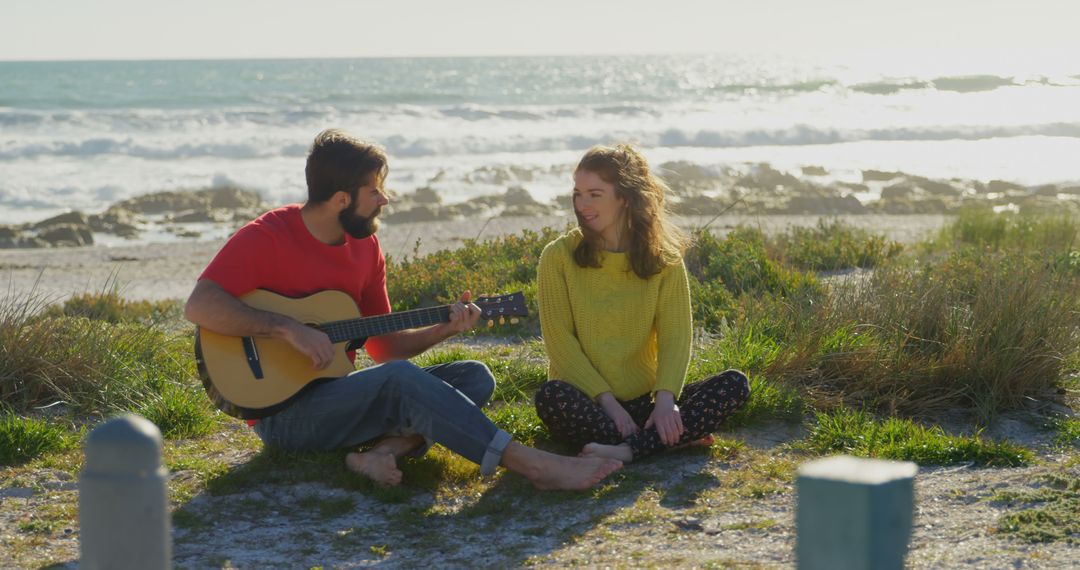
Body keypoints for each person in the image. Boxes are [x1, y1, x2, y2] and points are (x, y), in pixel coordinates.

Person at [184, 128, 621, 490]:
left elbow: (385, 350)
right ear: (340, 200)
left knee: (472, 377)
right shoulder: (269, 236)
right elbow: (200, 304)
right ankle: (534, 465)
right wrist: (288, 329)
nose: (384, 199)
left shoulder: (366, 248)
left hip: (339, 395)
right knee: (402, 383)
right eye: (373, 191)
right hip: (282, 416)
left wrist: (444, 330)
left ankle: (381, 453)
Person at [534, 144, 751, 464]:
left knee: (734, 384)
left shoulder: (664, 260)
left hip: (645, 401)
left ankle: (626, 449)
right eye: (578, 193)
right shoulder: (558, 256)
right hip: (588, 401)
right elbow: (560, 344)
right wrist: (610, 406)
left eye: (595, 194)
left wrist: (666, 402)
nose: (583, 205)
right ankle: (663, 441)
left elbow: (676, 336)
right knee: (550, 398)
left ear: (624, 197)